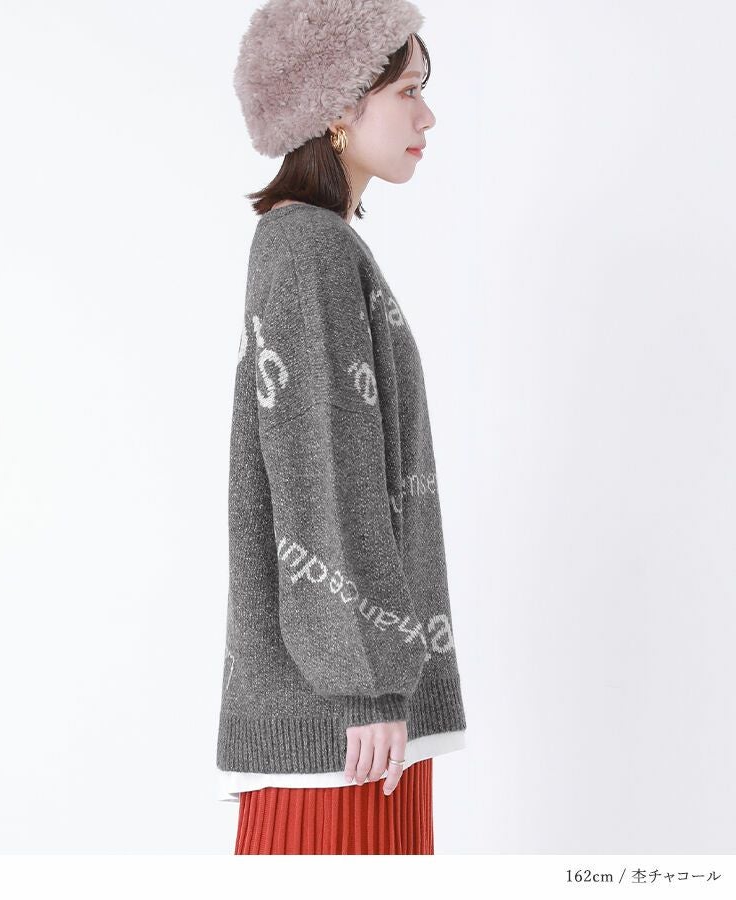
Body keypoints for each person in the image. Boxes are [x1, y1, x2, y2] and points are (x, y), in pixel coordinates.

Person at [217, 0, 467, 855]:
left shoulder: (320, 245)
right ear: (337, 105)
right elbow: (324, 475)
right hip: (347, 731)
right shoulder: (308, 250)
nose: (427, 116)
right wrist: (365, 684)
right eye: (408, 90)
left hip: (360, 722)